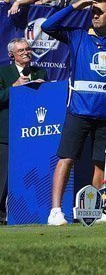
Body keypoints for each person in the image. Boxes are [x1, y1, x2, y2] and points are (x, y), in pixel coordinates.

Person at [42, 0, 106, 226]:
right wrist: (76, 6)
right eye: (92, 12)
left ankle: (95, 210)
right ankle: (55, 211)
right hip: (78, 110)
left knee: (101, 163)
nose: (94, 15)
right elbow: (47, 26)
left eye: (99, 11)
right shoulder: (78, 36)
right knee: (66, 158)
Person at [2, 37, 47, 224]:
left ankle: (29, 212)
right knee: (3, 177)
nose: (26, 53)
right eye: (21, 51)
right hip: (6, 133)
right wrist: (15, 88)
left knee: (30, 175)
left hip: (31, 133)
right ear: (12, 55)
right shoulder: (3, 72)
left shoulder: (40, 71)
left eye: (28, 49)